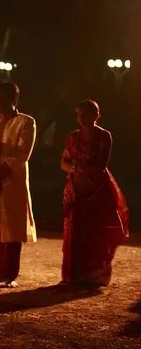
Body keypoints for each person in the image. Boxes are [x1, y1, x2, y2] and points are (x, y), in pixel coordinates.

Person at [60, 100, 129, 286]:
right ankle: (73, 276)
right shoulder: (72, 137)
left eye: (86, 115)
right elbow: (63, 163)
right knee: (75, 232)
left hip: (96, 190)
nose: (81, 119)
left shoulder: (104, 136)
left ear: (96, 116)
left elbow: (100, 166)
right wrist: (75, 168)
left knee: (95, 232)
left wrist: (77, 168)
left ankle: (94, 275)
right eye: (79, 114)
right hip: (75, 189)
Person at [0, 82, 36, 288]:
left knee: (12, 223)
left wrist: (0, 174)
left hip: (11, 180)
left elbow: (23, 153)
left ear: (14, 100)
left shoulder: (25, 122)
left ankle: (11, 273)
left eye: (1, 97)